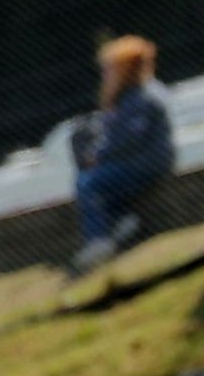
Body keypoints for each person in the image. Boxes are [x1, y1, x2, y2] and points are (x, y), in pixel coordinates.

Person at [72, 34, 174, 272]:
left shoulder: (143, 97)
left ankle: (99, 240)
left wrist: (99, 155)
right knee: (93, 180)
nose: (105, 76)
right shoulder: (128, 97)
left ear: (123, 69)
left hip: (147, 163)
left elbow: (128, 140)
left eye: (109, 69)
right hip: (137, 161)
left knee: (89, 183)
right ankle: (121, 220)